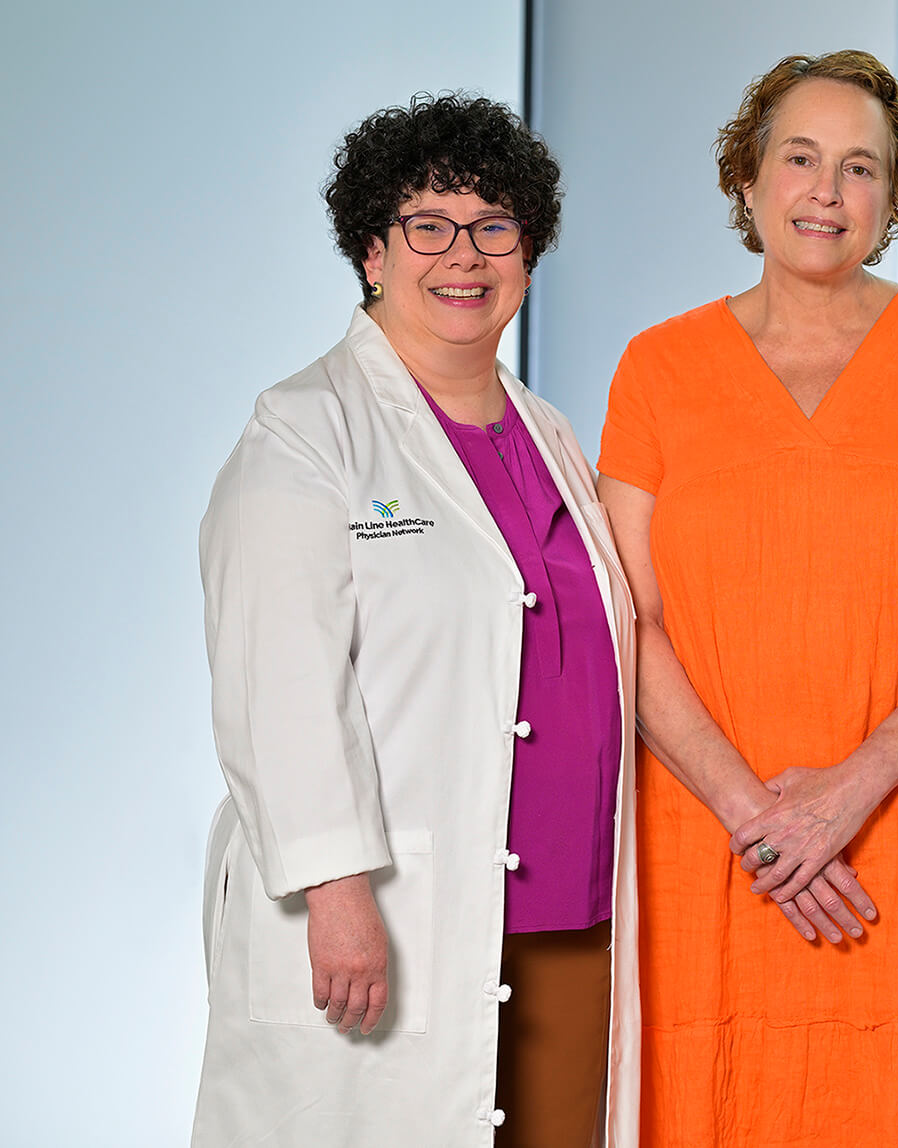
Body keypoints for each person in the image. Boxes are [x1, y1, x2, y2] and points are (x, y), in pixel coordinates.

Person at [597, 50, 898, 1146]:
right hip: (711, 839)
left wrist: (849, 791)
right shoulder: (656, 370)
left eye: (860, 167)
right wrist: (759, 818)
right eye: (799, 158)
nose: (826, 190)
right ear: (747, 182)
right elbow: (632, 622)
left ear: (894, 198)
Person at [192, 93, 639, 1146]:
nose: (465, 256)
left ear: (529, 252)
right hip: (393, 917)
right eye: (427, 226)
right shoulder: (307, 429)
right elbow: (277, 678)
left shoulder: (551, 431)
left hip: (572, 915)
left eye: (495, 226)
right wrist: (336, 890)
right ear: (371, 253)